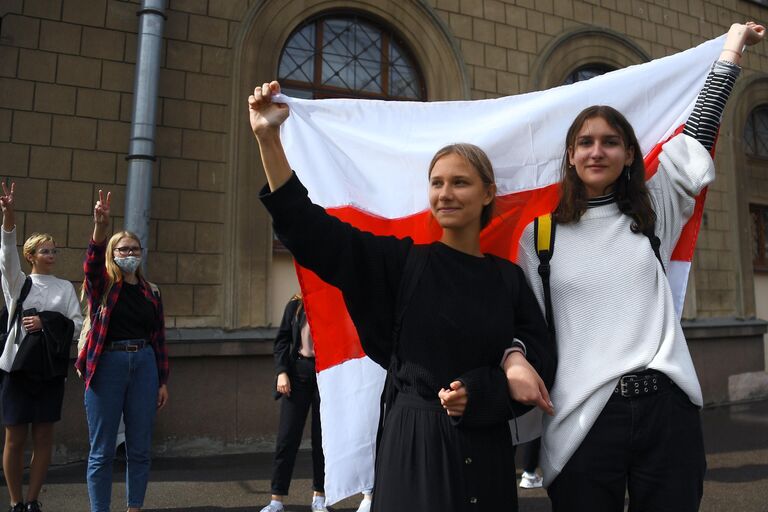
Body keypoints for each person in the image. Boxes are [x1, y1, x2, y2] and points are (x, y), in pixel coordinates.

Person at [249, 81, 557, 512]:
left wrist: (483, 390)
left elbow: (541, 357)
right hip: (414, 447)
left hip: (487, 451)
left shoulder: (507, 278)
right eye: (436, 183)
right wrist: (269, 140)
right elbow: (313, 234)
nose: (445, 193)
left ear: (488, 193)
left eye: (460, 183)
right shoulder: (402, 263)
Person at [516, 22, 765, 512]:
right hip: (581, 422)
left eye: (610, 141)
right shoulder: (539, 236)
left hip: (666, 409)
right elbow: (526, 326)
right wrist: (513, 358)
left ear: (629, 154)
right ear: (570, 156)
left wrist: (731, 51)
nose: (596, 150)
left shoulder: (655, 212)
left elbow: (698, 130)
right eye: (585, 142)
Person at [75, 190, 170, 512]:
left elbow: (158, 339)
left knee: (140, 447)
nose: (129, 253)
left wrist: (162, 380)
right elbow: (90, 264)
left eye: (134, 248)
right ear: (112, 254)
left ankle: (134, 507)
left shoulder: (151, 292)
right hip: (108, 365)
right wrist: (100, 228)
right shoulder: (103, 286)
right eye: (123, 249)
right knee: (101, 450)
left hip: (144, 364)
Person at [0, 182, 83, 512]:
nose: (51, 255)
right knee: (14, 438)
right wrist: (9, 218)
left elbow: (76, 325)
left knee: (45, 437)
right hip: (17, 371)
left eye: (54, 250)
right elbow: (6, 256)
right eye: (45, 250)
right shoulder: (19, 283)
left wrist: (46, 323)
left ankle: (33, 500)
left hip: (49, 372)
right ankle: (16, 500)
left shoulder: (64, 288)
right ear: (31, 255)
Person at [261, 294, 327, 512]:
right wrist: (282, 372)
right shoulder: (295, 305)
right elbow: (282, 341)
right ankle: (276, 500)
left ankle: (320, 496)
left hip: (326, 375)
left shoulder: (333, 302)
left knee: (323, 440)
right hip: (298, 373)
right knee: (287, 438)